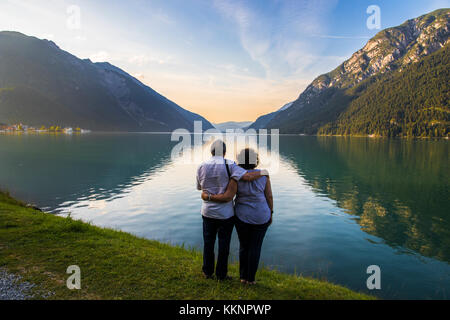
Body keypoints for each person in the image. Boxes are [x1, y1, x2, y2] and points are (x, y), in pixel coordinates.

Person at [196, 140, 268, 280]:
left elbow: (200, 188)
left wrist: (209, 196)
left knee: (208, 243)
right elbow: (247, 176)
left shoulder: (201, 166)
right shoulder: (230, 165)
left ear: (211, 151)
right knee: (224, 245)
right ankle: (221, 275)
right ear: (224, 152)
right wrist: (264, 171)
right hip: (225, 214)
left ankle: (207, 271)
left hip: (207, 212)